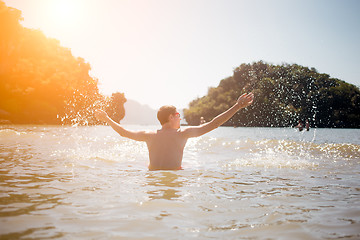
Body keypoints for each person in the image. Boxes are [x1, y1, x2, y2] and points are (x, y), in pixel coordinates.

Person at [95, 92, 254, 170]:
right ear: (171, 117)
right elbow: (214, 124)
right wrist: (237, 106)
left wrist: (107, 118)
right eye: (178, 115)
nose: (180, 118)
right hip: (175, 177)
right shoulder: (183, 134)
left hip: (152, 182)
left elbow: (123, 132)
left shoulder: (149, 136)